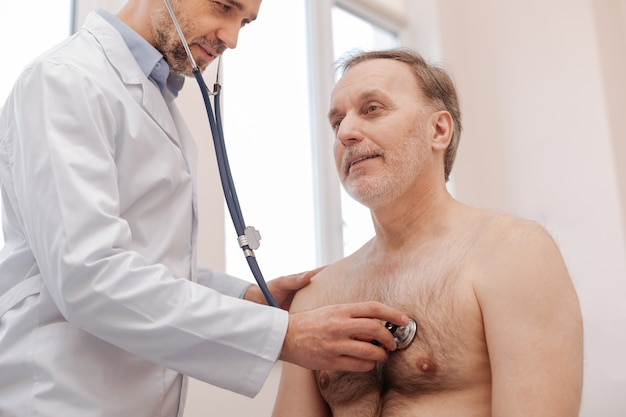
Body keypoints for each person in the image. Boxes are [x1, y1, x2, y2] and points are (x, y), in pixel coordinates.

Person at [0, 2, 410, 416]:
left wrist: (246, 297)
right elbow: (88, 275)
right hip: (57, 397)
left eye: (244, 22)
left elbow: (145, 261)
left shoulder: (155, 97)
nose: (231, 39)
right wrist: (284, 337)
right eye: (224, 6)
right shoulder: (65, 80)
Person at [272, 48, 584, 417]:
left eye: (372, 109)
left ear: (438, 130)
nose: (347, 133)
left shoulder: (514, 254)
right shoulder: (316, 298)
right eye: (337, 122)